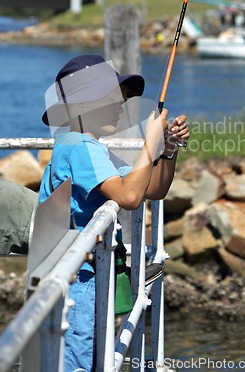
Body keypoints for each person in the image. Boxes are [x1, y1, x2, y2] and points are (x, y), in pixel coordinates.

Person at [39, 54, 190, 372]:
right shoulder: (80, 146)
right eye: (112, 97)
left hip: (85, 280)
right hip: (76, 286)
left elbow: (152, 189)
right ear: (80, 107)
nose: (121, 105)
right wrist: (150, 142)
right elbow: (130, 196)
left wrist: (168, 148)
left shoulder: (90, 146)